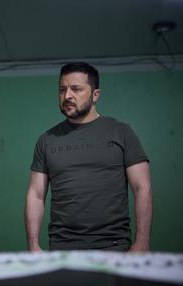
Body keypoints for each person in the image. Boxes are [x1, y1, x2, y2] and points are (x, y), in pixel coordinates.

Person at [25, 62, 153, 252]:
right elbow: (36, 195)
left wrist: (142, 241)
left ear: (95, 95)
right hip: (62, 248)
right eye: (62, 90)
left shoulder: (122, 132)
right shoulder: (47, 140)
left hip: (114, 246)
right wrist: (33, 245)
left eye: (76, 89)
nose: (67, 96)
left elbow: (142, 187)